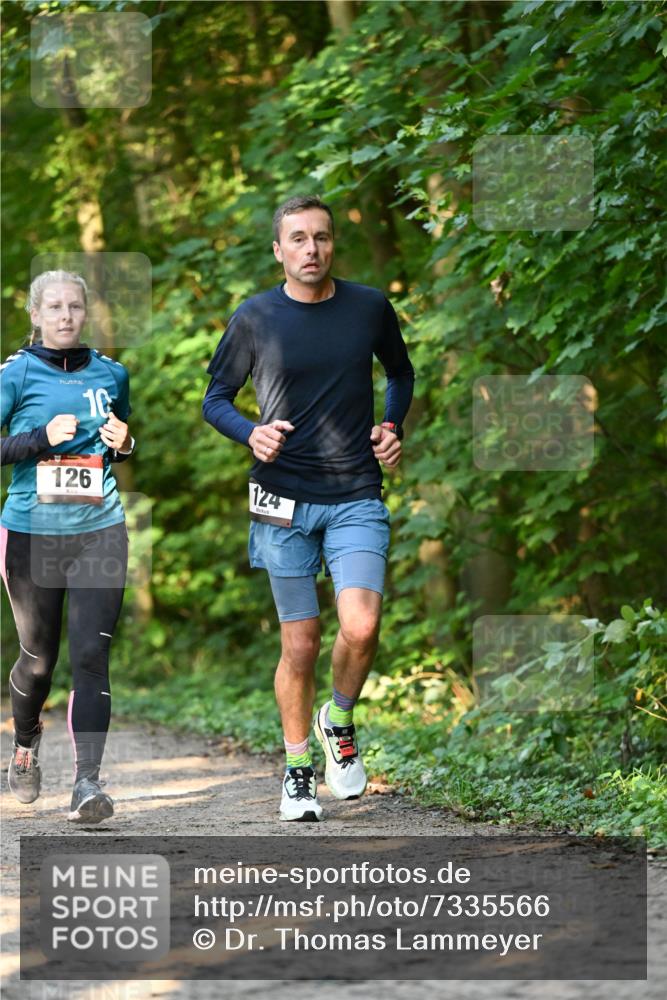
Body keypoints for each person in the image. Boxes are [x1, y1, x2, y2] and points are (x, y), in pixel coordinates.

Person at [203, 194, 414, 821]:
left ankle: (338, 720)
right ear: (278, 250)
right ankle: (298, 771)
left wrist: (391, 423)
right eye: (297, 239)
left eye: (320, 237)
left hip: (354, 492)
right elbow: (216, 397)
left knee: (361, 626)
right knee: (300, 643)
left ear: (332, 245)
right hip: (280, 497)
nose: (311, 249)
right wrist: (249, 432)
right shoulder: (255, 317)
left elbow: (400, 373)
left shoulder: (369, 307)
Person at [1, 270, 135, 823]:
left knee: (90, 655)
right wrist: (38, 440)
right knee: (38, 660)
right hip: (31, 531)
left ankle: (87, 784)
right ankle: (26, 744)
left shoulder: (113, 373)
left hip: (99, 527)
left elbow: (118, 444)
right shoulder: (15, 373)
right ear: (35, 315)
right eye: (53, 307)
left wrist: (126, 444)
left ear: (86, 313)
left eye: (74, 307)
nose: (64, 316)